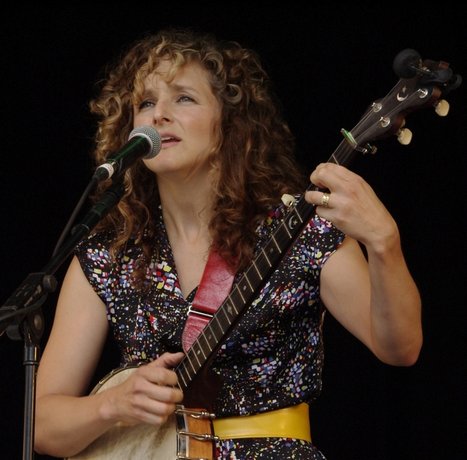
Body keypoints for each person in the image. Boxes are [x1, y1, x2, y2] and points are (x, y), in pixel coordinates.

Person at [34, 27, 422, 459]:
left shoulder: (297, 232)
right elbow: (42, 426)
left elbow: (400, 347)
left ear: (230, 124)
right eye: (145, 102)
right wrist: (111, 406)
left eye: (184, 98)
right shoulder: (110, 255)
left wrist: (385, 242)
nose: (158, 115)